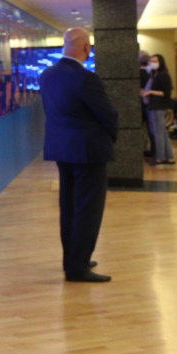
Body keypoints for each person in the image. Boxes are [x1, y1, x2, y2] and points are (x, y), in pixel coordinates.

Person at [40, 28, 118, 282]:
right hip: (88, 151)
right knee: (88, 209)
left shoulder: (47, 75)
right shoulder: (86, 78)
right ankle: (78, 267)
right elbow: (108, 115)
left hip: (61, 149)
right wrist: (111, 136)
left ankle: (73, 260)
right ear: (86, 47)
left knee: (69, 207)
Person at [141, 53, 175, 164]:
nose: (152, 63)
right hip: (154, 105)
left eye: (155, 61)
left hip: (158, 106)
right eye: (151, 61)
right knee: (162, 132)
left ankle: (160, 157)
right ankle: (169, 156)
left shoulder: (163, 75)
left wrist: (150, 92)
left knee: (158, 133)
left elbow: (166, 93)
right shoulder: (154, 74)